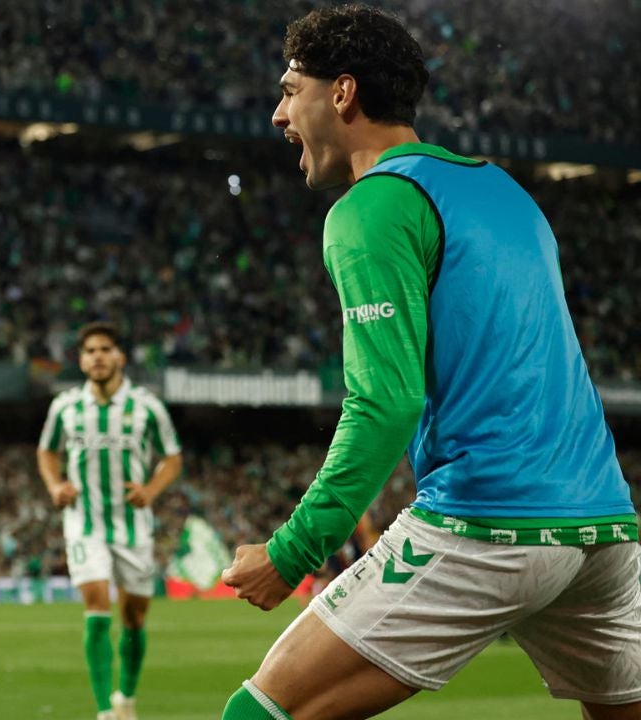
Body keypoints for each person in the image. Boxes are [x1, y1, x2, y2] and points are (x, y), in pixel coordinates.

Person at [219, 5, 641, 720]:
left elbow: (386, 402)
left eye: (291, 90)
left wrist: (293, 551)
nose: (277, 114)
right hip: (605, 526)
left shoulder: (373, 206)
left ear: (343, 93)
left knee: (261, 712)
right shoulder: (507, 191)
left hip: (489, 518)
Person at [37, 322, 183, 720]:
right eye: (90, 351)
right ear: (82, 360)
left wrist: (151, 490)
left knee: (134, 617)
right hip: (84, 522)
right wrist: (55, 487)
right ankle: (104, 711)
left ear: (119, 356)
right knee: (97, 602)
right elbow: (47, 452)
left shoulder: (147, 406)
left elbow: (172, 456)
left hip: (133, 525)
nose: (97, 356)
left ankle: (127, 699)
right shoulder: (65, 405)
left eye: (105, 349)